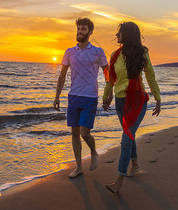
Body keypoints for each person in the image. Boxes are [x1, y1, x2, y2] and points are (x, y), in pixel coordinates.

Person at [102, 21, 161, 193]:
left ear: (126, 34)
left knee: (126, 139)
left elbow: (150, 74)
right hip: (120, 102)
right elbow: (111, 79)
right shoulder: (115, 55)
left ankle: (119, 180)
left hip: (137, 102)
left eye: (119, 32)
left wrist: (157, 97)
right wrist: (106, 96)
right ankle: (135, 164)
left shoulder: (143, 53)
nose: (116, 35)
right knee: (130, 133)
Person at [53, 18, 109, 178]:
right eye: (78, 29)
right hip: (73, 97)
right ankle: (78, 167)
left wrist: (108, 92)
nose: (80, 32)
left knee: (85, 133)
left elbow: (107, 73)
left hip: (90, 97)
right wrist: (57, 95)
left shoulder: (98, 51)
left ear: (90, 32)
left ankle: (93, 151)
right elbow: (62, 75)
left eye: (83, 29)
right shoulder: (69, 52)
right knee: (74, 133)